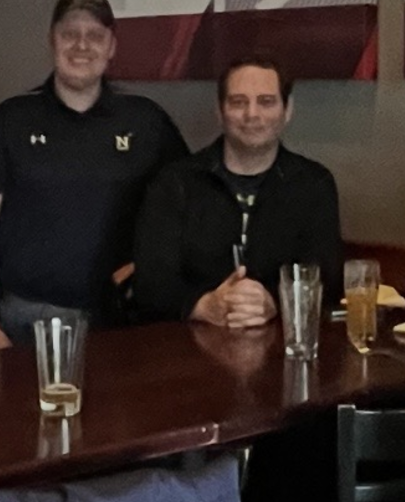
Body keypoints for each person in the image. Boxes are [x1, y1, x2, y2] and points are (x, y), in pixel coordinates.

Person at [0, 0, 188, 345]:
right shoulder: (9, 120)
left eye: (95, 36)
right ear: (52, 41)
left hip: (121, 321)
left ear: (112, 46)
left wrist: (149, 270)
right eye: (70, 33)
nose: (81, 45)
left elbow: (184, 211)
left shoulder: (146, 121)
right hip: (23, 321)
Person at [132, 56, 341, 326]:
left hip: (281, 341)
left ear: (287, 110)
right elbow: (150, 284)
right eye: (238, 102)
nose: (252, 114)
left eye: (266, 102)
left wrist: (273, 302)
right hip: (187, 343)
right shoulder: (175, 182)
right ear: (220, 111)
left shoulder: (313, 184)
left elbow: (326, 279)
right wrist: (203, 305)